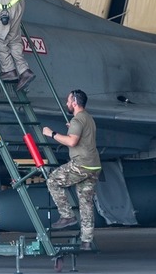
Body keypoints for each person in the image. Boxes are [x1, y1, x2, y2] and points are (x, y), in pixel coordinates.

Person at [42, 89, 102, 251]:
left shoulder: (77, 120)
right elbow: (81, 135)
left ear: (74, 102)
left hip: (81, 164)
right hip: (94, 165)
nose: (66, 104)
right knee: (86, 203)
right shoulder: (87, 118)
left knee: (53, 181)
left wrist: (51, 134)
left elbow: (72, 141)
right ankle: (86, 241)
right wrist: (72, 127)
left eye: (68, 101)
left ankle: (67, 216)